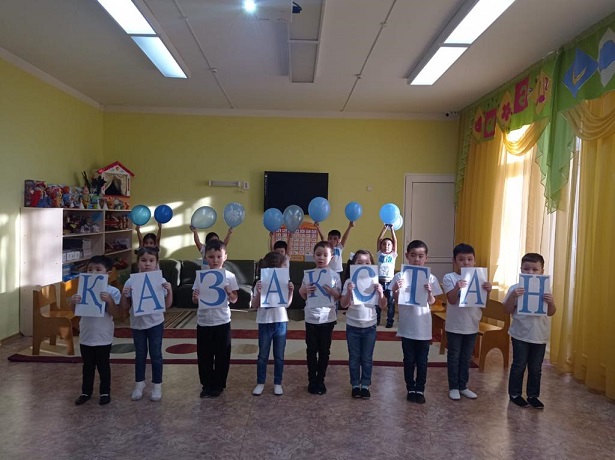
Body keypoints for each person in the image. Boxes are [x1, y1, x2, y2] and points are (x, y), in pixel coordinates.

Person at [392, 241, 443, 404]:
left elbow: (433, 301)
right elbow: (395, 299)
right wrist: (395, 289)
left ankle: (420, 388)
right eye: (413, 255)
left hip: (423, 327)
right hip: (407, 326)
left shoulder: (431, 277)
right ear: (407, 256)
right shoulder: (400, 276)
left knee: (422, 360)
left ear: (426, 258)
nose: (416, 259)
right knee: (408, 360)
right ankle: (410, 388)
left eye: (421, 256)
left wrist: (429, 293)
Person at [504, 253, 556, 409]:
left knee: (535, 368)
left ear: (542, 271)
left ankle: (533, 395)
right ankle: (515, 394)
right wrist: (512, 296)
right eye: (526, 269)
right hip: (520, 334)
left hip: (539, 335)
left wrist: (551, 302)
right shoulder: (515, 288)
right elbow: (507, 309)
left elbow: (551, 312)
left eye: (535, 269)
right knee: (519, 365)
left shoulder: (546, 289)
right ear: (521, 269)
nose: (530, 272)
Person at [120, 247, 173, 402]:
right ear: (138, 263)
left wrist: (170, 291)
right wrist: (124, 294)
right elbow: (124, 306)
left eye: (151, 260)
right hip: (137, 324)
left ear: (156, 263)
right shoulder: (131, 281)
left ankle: (157, 385)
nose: (147, 264)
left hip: (156, 323)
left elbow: (167, 305)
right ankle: (139, 383)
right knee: (140, 355)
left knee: (156, 355)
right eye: (143, 260)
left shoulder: (161, 281)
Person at [442, 243, 492, 401]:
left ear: (474, 261)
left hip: (472, 324)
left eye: (470, 259)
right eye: (461, 259)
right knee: (454, 356)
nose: (466, 263)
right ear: (454, 261)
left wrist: (488, 291)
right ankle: (453, 386)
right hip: (454, 326)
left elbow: (484, 303)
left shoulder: (480, 278)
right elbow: (451, 300)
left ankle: (463, 386)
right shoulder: (450, 277)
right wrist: (457, 287)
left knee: (466, 357)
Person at [70, 255, 122, 406]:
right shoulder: (82, 289)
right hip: (86, 335)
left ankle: (105, 392)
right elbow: (75, 311)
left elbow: (116, 314)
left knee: (103, 366)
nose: (93, 273)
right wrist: (73, 302)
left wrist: (109, 301)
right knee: (87, 366)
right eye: (90, 269)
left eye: (98, 269)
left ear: (108, 273)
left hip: (103, 336)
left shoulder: (112, 291)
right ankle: (86, 392)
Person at [191, 239, 239, 398]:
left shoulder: (229, 276)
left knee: (222, 354)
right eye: (211, 257)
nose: (215, 260)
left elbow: (234, 299)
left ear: (225, 257)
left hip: (222, 321)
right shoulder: (201, 276)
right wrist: (195, 298)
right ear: (205, 258)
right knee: (204, 355)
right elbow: (195, 299)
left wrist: (229, 292)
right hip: (203, 322)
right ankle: (206, 384)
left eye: (219, 256)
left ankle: (218, 384)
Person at [341, 250, 386, 399]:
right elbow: (343, 304)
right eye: (359, 263)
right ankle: (355, 384)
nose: (363, 265)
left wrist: (381, 293)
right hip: (352, 326)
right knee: (354, 358)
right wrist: (349, 292)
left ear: (372, 265)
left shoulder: (375, 282)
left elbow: (382, 305)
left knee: (367, 358)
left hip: (370, 326)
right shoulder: (349, 282)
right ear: (353, 264)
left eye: (367, 263)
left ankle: (365, 385)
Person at [299, 241, 341, 395]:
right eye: (318, 254)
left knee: (324, 351)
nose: (321, 258)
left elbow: (339, 297)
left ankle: (320, 380)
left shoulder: (335, 275)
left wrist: (333, 293)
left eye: (325, 255)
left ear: (331, 257)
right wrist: (304, 290)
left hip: (328, 319)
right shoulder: (308, 275)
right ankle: (312, 380)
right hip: (311, 318)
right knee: (311, 350)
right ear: (313, 256)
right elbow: (303, 294)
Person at [251, 252, 294, 396]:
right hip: (264, 322)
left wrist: (290, 292)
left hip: (280, 321)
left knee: (279, 356)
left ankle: (277, 383)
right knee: (263, 355)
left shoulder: (285, 282)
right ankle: (260, 382)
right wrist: (258, 292)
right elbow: (254, 305)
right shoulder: (260, 283)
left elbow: (287, 304)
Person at [376, 224, 398, 328]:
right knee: (378, 302)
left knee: (391, 303)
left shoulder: (393, 255)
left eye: (389, 244)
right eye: (384, 244)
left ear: (392, 247)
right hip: (379, 281)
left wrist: (392, 230)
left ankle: (390, 321)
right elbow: (379, 240)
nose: (386, 246)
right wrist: (384, 229)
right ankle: (377, 320)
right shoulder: (379, 254)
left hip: (390, 282)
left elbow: (395, 241)